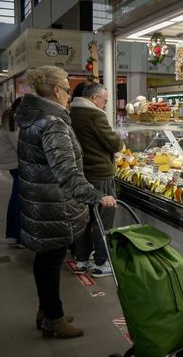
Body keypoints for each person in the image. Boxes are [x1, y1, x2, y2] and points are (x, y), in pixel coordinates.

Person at [15, 66, 116, 339]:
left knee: (46, 259)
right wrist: (97, 195)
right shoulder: (53, 122)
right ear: (57, 91)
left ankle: (48, 311)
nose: (69, 96)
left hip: (40, 200)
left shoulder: (31, 116)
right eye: (67, 90)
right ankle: (53, 319)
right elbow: (67, 173)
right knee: (50, 260)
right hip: (53, 205)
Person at [69, 81, 123, 277]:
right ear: (94, 98)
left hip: (81, 174)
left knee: (83, 220)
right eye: (105, 101)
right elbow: (114, 143)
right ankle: (101, 263)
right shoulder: (94, 114)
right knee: (103, 220)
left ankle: (82, 260)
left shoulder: (70, 113)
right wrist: (119, 139)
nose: (105, 105)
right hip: (100, 174)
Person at [0, 97, 23, 246]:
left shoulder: (11, 118)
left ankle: (13, 234)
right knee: (18, 199)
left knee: (16, 198)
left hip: (15, 164)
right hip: (17, 164)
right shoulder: (12, 121)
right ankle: (17, 235)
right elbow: (19, 146)